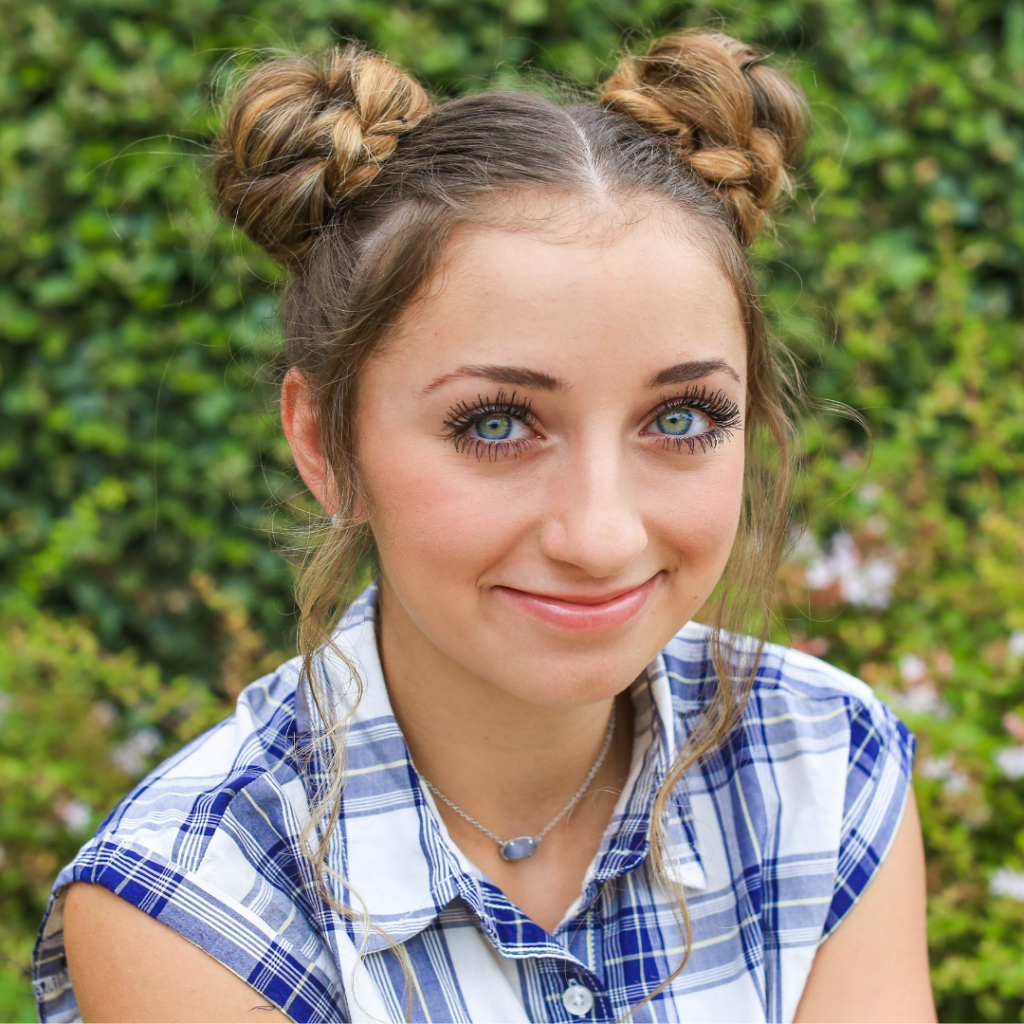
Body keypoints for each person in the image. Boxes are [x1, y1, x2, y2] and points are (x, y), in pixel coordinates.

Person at [33, 30, 935, 1023]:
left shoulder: (821, 759)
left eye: (680, 419)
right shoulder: (194, 903)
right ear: (324, 444)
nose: (599, 536)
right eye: (496, 425)